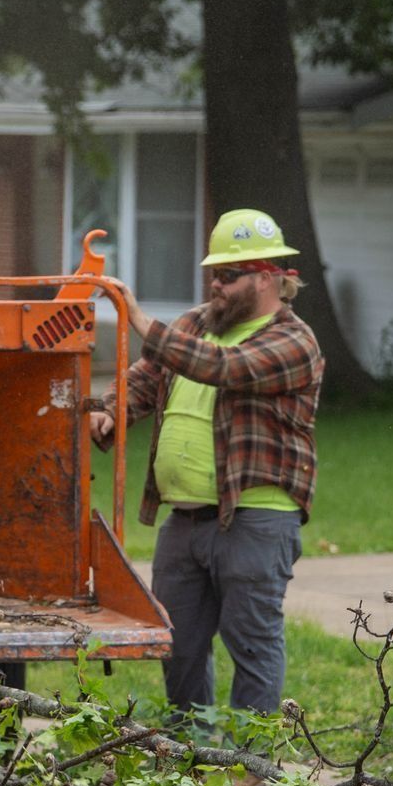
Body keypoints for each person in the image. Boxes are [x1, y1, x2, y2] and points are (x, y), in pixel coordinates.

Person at [89, 208, 324, 717]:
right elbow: (148, 375)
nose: (215, 284)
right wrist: (112, 410)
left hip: (256, 518)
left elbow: (224, 369)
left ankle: (250, 766)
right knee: (179, 648)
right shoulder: (199, 322)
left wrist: (140, 320)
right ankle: (192, 760)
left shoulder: (293, 341)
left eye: (227, 275)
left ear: (267, 278)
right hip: (185, 519)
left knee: (252, 645)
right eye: (212, 274)